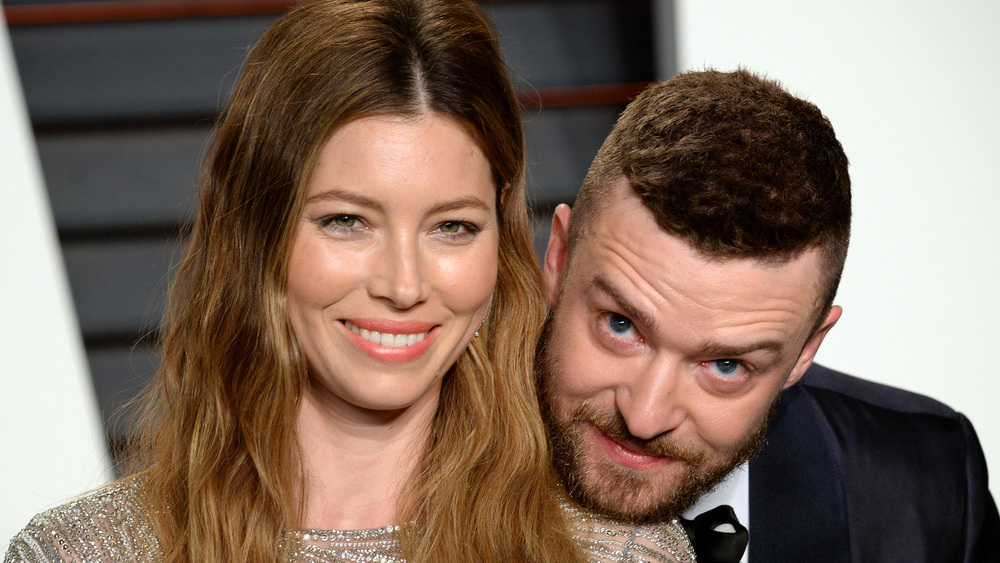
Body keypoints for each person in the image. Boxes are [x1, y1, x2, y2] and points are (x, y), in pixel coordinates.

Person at [5, 1, 694, 562]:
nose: (403, 284)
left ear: (501, 248)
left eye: (451, 227)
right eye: (346, 221)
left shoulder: (618, 552)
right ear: (258, 237)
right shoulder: (82, 552)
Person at [536, 68, 1000, 562]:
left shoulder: (926, 484)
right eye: (621, 325)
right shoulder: (444, 440)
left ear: (805, 352)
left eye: (726, 366)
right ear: (559, 260)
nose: (645, 417)